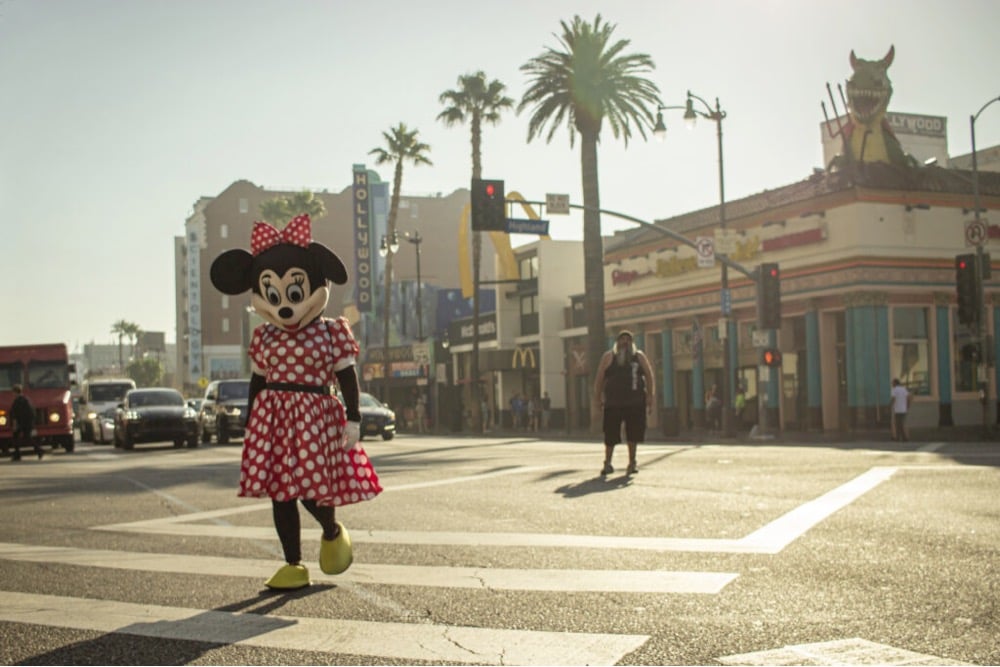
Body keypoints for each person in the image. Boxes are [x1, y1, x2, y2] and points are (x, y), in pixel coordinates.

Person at [210, 214, 381, 590]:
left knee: (309, 487)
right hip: (274, 418)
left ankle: (332, 530)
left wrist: (354, 417)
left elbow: (346, 376)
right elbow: (258, 380)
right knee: (280, 490)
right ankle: (293, 563)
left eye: (294, 293)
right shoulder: (265, 338)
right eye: (273, 295)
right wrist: (253, 420)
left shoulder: (331, 332)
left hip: (316, 415)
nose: (285, 306)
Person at [593, 330, 654, 476]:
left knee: (633, 434)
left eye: (628, 339)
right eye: (622, 339)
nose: (624, 342)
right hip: (613, 403)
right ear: (617, 342)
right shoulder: (609, 357)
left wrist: (650, 397)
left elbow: (649, 375)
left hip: (635, 402)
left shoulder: (639, 356)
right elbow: (599, 378)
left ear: (632, 343)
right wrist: (597, 399)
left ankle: (632, 462)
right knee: (610, 434)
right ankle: (607, 463)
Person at [10, 384, 43, 461]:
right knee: (27, 437)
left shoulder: (17, 401)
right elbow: (32, 412)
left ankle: (18, 454)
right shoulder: (27, 399)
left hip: (22, 423)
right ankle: (38, 450)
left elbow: (15, 415)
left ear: (15, 392)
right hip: (28, 422)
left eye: (13, 392)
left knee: (16, 437)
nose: (13, 394)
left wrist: (15, 425)